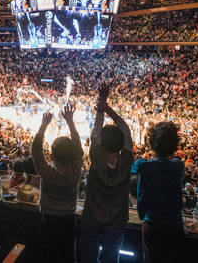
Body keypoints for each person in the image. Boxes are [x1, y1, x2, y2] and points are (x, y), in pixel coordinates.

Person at [81, 82, 133, 263]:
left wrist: (101, 105)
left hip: (91, 218)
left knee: (87, 257)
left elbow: (96, 129)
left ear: (100, 144)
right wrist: (106, 107)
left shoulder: (95, 156)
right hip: (116, 222)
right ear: (121, 146)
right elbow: (125, 129)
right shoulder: (126, 162)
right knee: (111, 259)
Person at [31, 105, 83, 263]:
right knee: (69, 254)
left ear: (51, 156)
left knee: (51, 253)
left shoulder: (47, 174)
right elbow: (79, 150)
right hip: (69, 219)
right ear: (73, 155)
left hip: (49, 219)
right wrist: (70, 122)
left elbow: (35, 151)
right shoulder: (76, 172)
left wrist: (44, 125)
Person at [137, 121, 184, 263]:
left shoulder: (144, 167)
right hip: (174, 226)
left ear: (151, 143)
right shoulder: (178, 166)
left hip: (152, 225)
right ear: (174, 146)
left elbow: (141, 203)